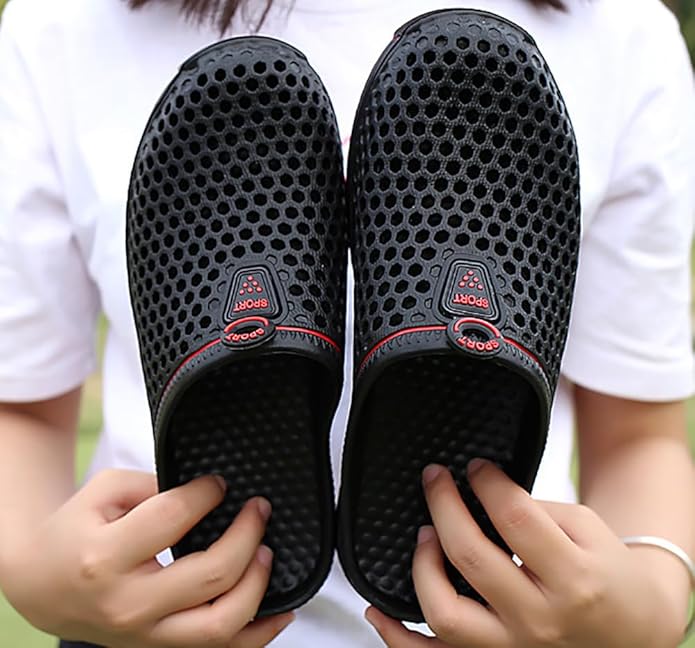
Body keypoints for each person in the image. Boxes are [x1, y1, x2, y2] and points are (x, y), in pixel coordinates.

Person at [0, 0, 693, 646]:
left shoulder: (621, 34)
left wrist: (650, 602)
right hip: (143, 619)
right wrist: (33, 572)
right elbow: (20, 405)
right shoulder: (62, 27)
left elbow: (636, 435)